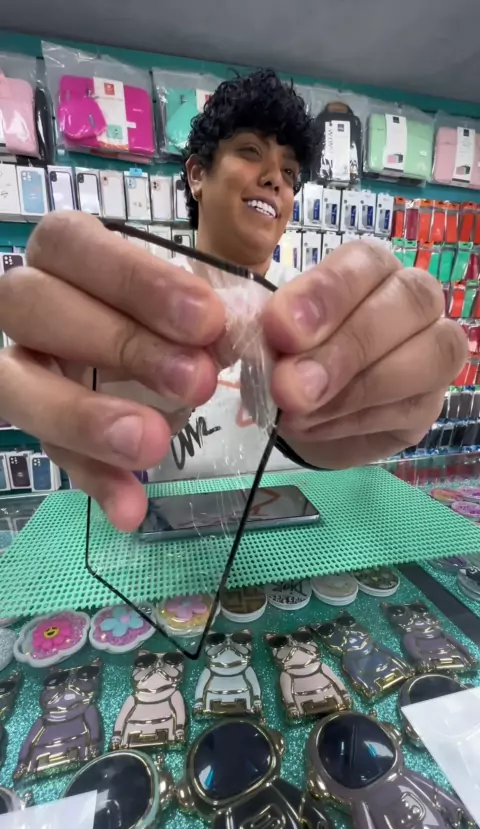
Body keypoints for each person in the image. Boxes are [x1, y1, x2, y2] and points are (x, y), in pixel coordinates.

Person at [0, 70, 466, 533]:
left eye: (290, 172)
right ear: (197, 175)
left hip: (300, 540)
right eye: (250, 151)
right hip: (179, 543)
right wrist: (73, 387)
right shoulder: (135, 309)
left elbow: (357, 431)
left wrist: (402, 401)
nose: (275, 179)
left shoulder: (320, 315)